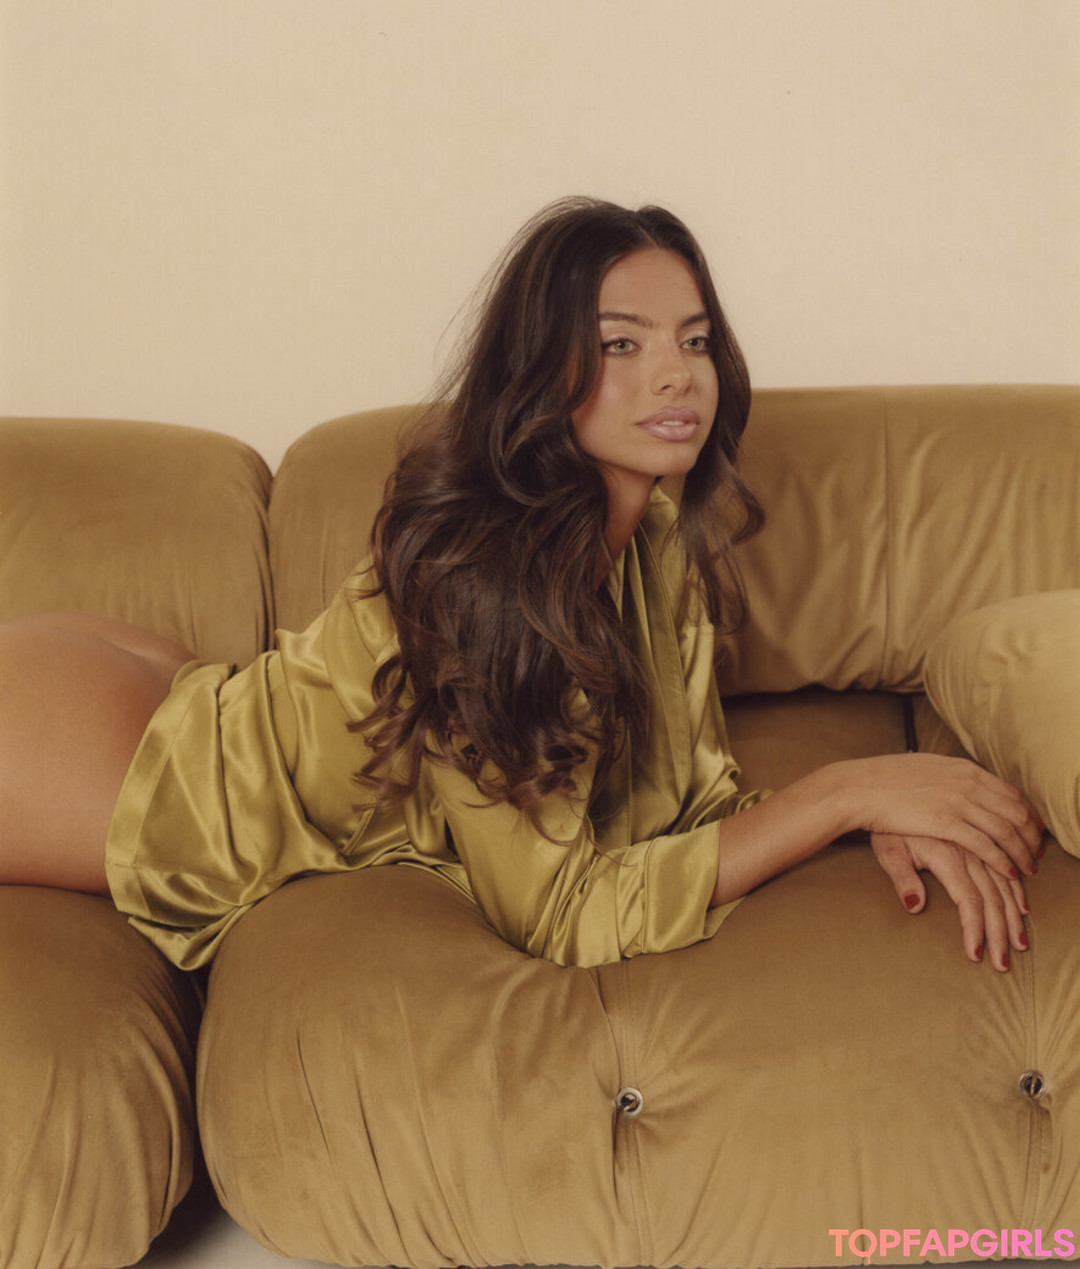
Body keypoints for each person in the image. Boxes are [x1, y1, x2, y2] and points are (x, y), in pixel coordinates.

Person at [0, 197, 1043, 972]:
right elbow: (564, 913)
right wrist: (849, 788)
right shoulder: (493, 586)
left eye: (693, 340)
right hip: (120, 764)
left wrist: (873, 810)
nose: (676, 373)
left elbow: (689, 808)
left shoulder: (651, 541)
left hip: (177, 686)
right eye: (621, 344)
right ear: (547, 370)